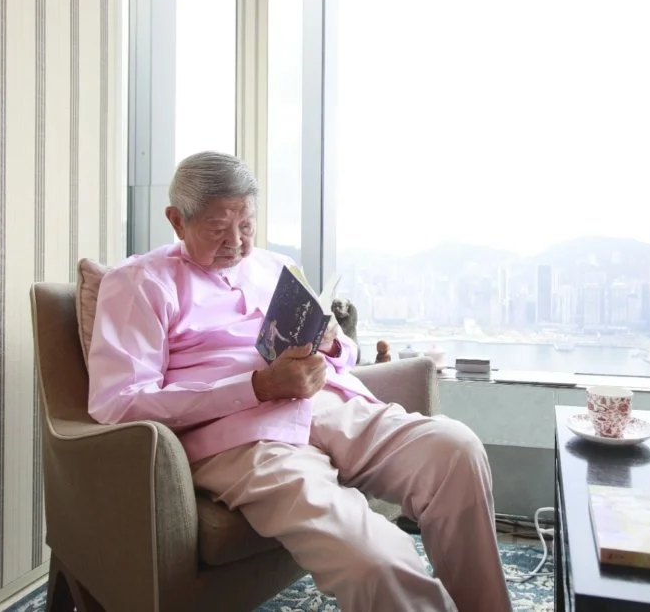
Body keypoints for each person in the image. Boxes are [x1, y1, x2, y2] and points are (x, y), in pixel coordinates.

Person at [86, 151, 512, 612]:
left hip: (332, 403)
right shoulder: (139, 283)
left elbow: (346, 355)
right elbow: (119, 403)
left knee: (456, 449)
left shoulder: (274, 267)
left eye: (246, 225)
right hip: (243, 441)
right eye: (218, 228)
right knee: (375, 560)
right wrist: (258, 387)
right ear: (176, 220)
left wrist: (332, 343)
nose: (236, 242)